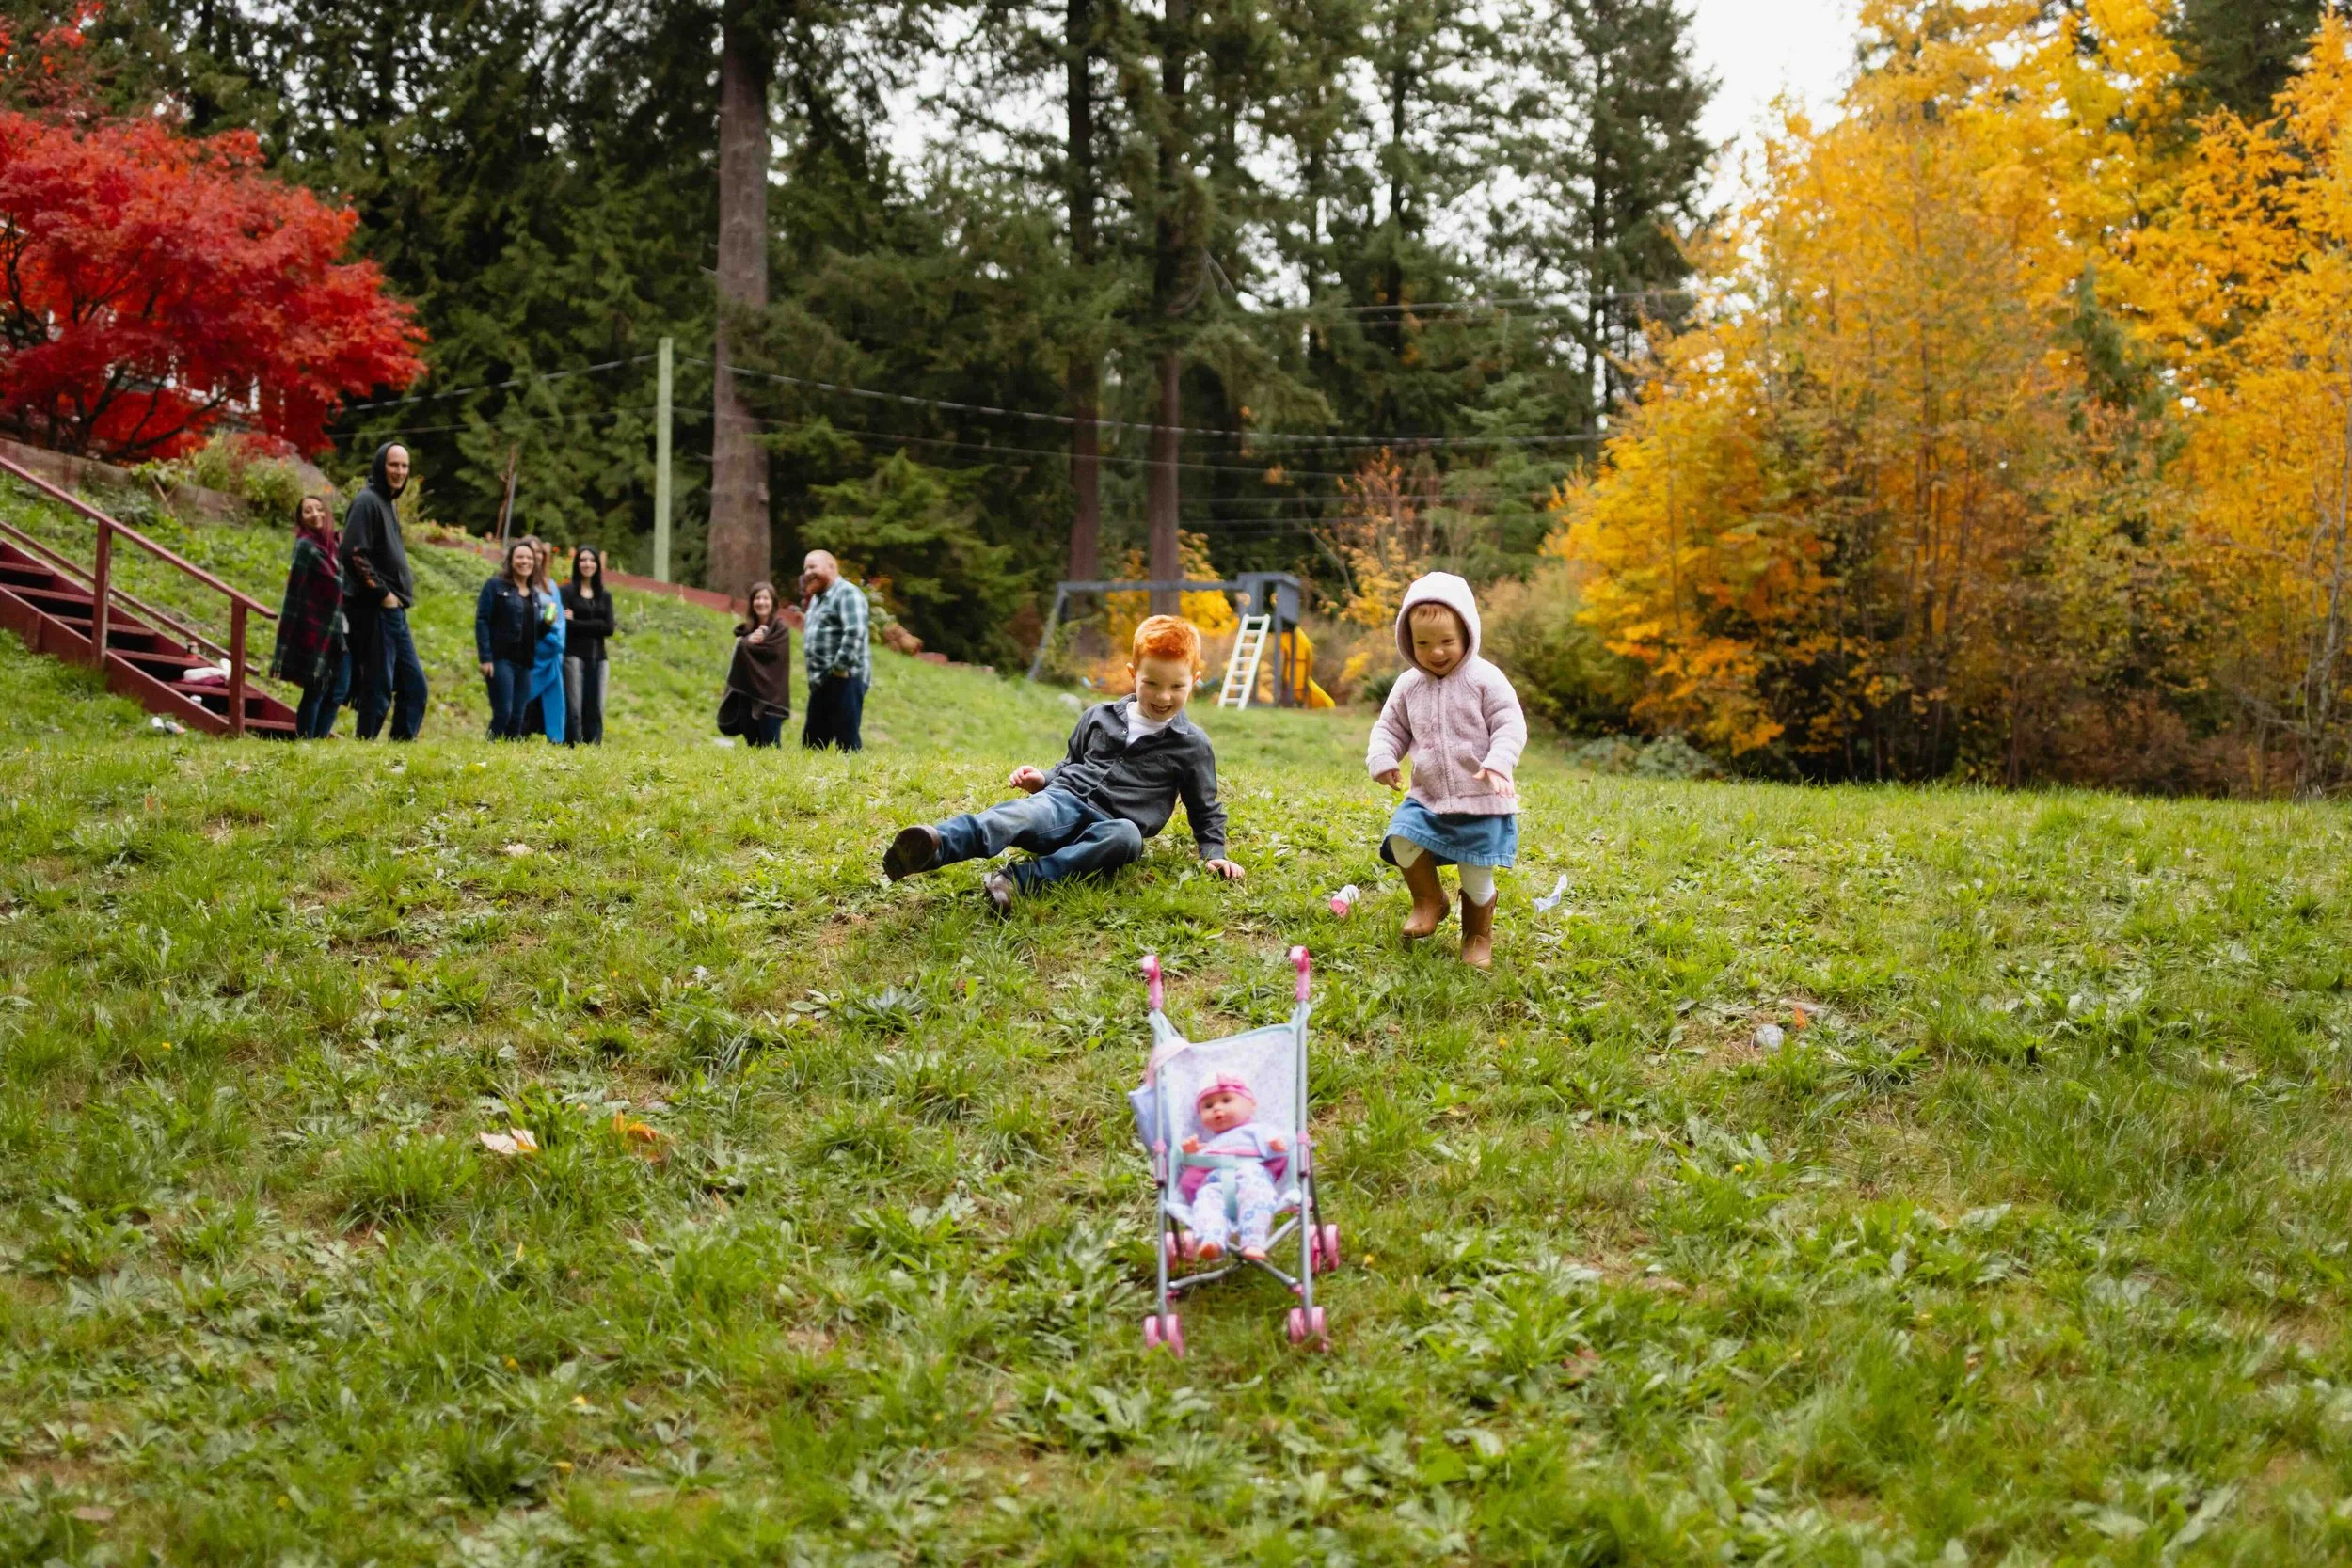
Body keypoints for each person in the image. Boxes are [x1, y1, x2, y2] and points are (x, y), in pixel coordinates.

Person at [882, 614, 1244, 912]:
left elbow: (1206, 809)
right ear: (1134, 674)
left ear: (1194, 681)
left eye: (1176, 687)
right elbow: (1071, 763)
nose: (1163, 696)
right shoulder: (1098, 717)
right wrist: (1043, 779)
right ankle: (934, 847)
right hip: (1062, 803)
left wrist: (1214, 853)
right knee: (1016, 814)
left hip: (1113, 827)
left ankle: (1017, 883)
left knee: (1127, 838)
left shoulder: (1192, 745)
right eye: (1152, 683)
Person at [1366, 571, 1528, 970]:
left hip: (1481, 798)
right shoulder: (1408, 685)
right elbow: (1390, 727)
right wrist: (1384, 758)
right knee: (1402, 838)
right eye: (1422, 643)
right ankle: (1429, 900)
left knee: (1476, 873)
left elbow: (1511, 724)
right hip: (1430, 795)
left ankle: (1476, 935)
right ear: (1408, 641)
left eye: (1446, 642)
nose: (1435, 652)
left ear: (1467, 634)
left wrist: (1499, 761)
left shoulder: (1485, 679)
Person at [340, 441, 428, 741]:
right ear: (381, 466)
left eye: (404, 466)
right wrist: (383, 594)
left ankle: (399, 753)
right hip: (375, 609)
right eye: (394, 465)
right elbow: (352, 553)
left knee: (414, 687)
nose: (400, 471)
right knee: (378, 688)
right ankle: (364, 750)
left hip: (394, 613)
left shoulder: (387, 503)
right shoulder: (367, 501)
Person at [1172, 1076, 1290, 1263]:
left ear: (1251, 1105)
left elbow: (1281, 1149)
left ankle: (1253, 1241)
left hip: (1251, 1174)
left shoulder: (1257, 1131)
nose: (1217, 1108)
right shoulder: (1209, 1144)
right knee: (1206, 1204)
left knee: (1258, 1196)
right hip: (1214, 1182)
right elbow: (1192, 1172)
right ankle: (1211, 1240)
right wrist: (1190, 1153)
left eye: (1226, 1100)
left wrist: (1276, 1145)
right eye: (1208, 1106)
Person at [270, 494, 348, 739]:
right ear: (301, 518)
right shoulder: (305, 546)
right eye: (308, 511)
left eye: (318, 509)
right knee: (315, 688)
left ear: (326, 512)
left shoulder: (336, 543)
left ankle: (318, 740)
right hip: (316, 626)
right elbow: (321, 587)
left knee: (339, 689)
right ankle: (306, 743)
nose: (315, 514)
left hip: (343, 629)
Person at [799, 549, 869, 751]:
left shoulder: (846, 593)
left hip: (845, 677)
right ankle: (811, 781)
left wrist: (840, 668)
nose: (807, 573)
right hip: (822, 680)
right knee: (812, 743)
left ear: (832, 567)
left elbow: (855, 632)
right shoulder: (817, 600)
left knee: (847, 741)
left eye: (813, 567)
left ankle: (856, 780)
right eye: (805, 568)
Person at [474, 540, 538, 740]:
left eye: (529, 558)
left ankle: (506, 761)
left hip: (525, 663)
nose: (524, 561)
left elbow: (532, 629)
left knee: (518, 717)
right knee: (503, 712)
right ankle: (489, 754)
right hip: (501, 659)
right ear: (511, 561)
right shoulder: (495, 586)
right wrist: (485, 657)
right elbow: (482, 620)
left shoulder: (534, 594)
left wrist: (547, 624)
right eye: (520, 557)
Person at [719, 581, 792, 747]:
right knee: (752, 745)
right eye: (757, 598)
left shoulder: (780, 629)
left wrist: (746, 645)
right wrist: (747, 641)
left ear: (773, 602)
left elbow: (772, 654)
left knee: (771, 746)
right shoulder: (746, 630)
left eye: (766, 598)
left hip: (771, 699)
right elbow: (741, 658)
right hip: (747, 695)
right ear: (752, 603)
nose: (761, 602)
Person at [561, 546, 615, 746]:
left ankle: (594, 747)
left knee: (597, 706)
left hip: (600, 658)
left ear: (597, 565)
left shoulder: (604, 595)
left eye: (591, 560)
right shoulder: (566, 591)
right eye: (583, 560)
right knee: (574, 706)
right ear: (577, 564)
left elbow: (609, 628)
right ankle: (572, 746)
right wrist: (596, 625)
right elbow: (565, 625)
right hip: (573, 655)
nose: (587, 564)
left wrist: (578, 622)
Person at [521, 535, 566, 744]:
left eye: (539, 552)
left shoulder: (551, 586)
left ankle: (553, 738)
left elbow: (559, 619)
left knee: (550, 700)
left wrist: (556, 643)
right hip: (529, 651)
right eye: (531, 551)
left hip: (551, 651)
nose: (536, 556)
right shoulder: (519, 584)